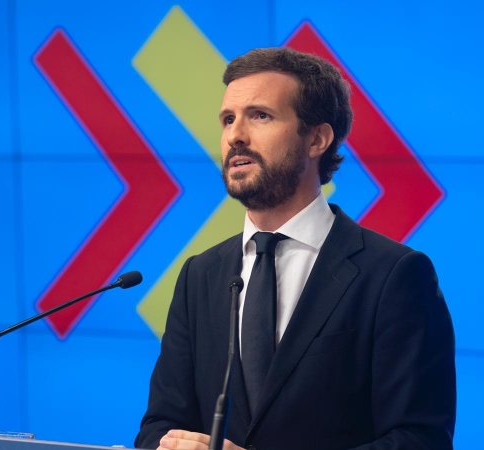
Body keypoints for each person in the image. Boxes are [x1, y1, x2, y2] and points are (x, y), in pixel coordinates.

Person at [135, 48, 456, 450]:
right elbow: (158, 426)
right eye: (228, 119)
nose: (235, 135)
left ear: (317, 139)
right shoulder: (201, 275)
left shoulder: (395, 275)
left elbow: (418, 440)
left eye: (261, 116)